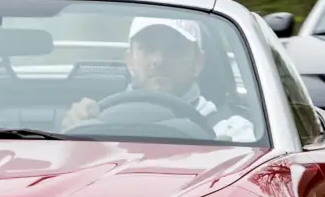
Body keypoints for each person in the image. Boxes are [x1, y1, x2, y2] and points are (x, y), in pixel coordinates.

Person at [62, 18, 259, 142]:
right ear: (130, 60)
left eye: (175, 49)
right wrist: (75, 128)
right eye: (147, 48)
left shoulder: (232, 130)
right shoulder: (93, 121)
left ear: (198, 62)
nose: (158, 60)